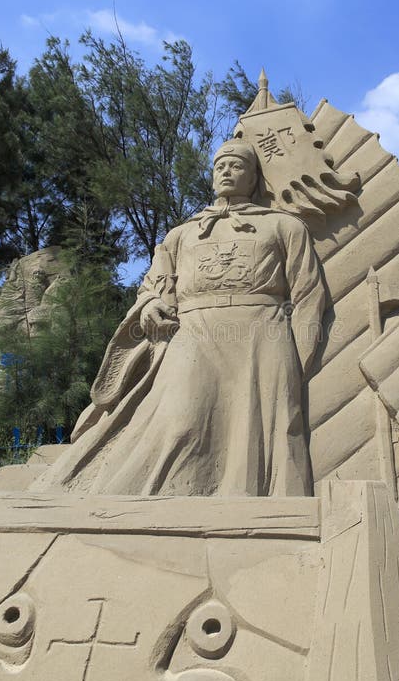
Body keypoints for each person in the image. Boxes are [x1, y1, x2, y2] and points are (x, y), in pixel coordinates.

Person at [32, 139, 325, 497]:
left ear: (253, 178)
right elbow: (153, 286)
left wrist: (300, 357)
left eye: (237, 166)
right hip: (195, 331)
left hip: (262, 330)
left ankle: (267, 512)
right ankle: (135, 504)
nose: (227, 172)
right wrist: (150, 304)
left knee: (267, 427)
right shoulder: (181, 234)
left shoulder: (284, 226)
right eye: (220, 167)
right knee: (179, 419)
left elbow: (307, 292)